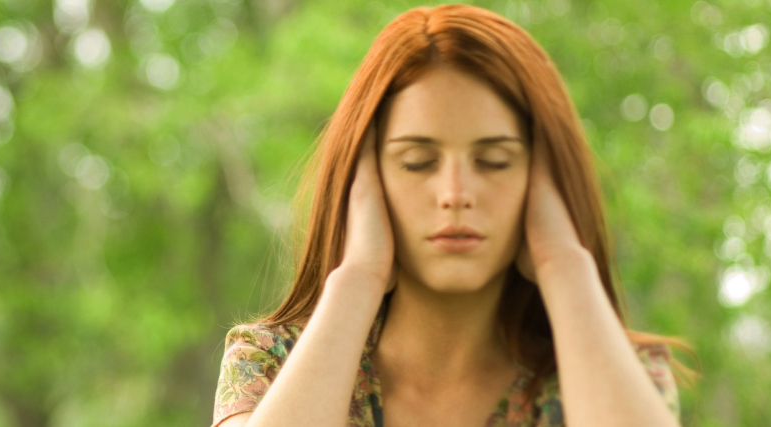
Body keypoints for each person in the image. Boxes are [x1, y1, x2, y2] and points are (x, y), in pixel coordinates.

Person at [211, 5, 693, 426]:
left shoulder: (616, 375)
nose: (455, 194)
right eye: (417, 161)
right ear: (366, 182)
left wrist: (564, 264)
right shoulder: (269, 363)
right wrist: (356, 277)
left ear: (542, 180)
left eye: (494, 161)